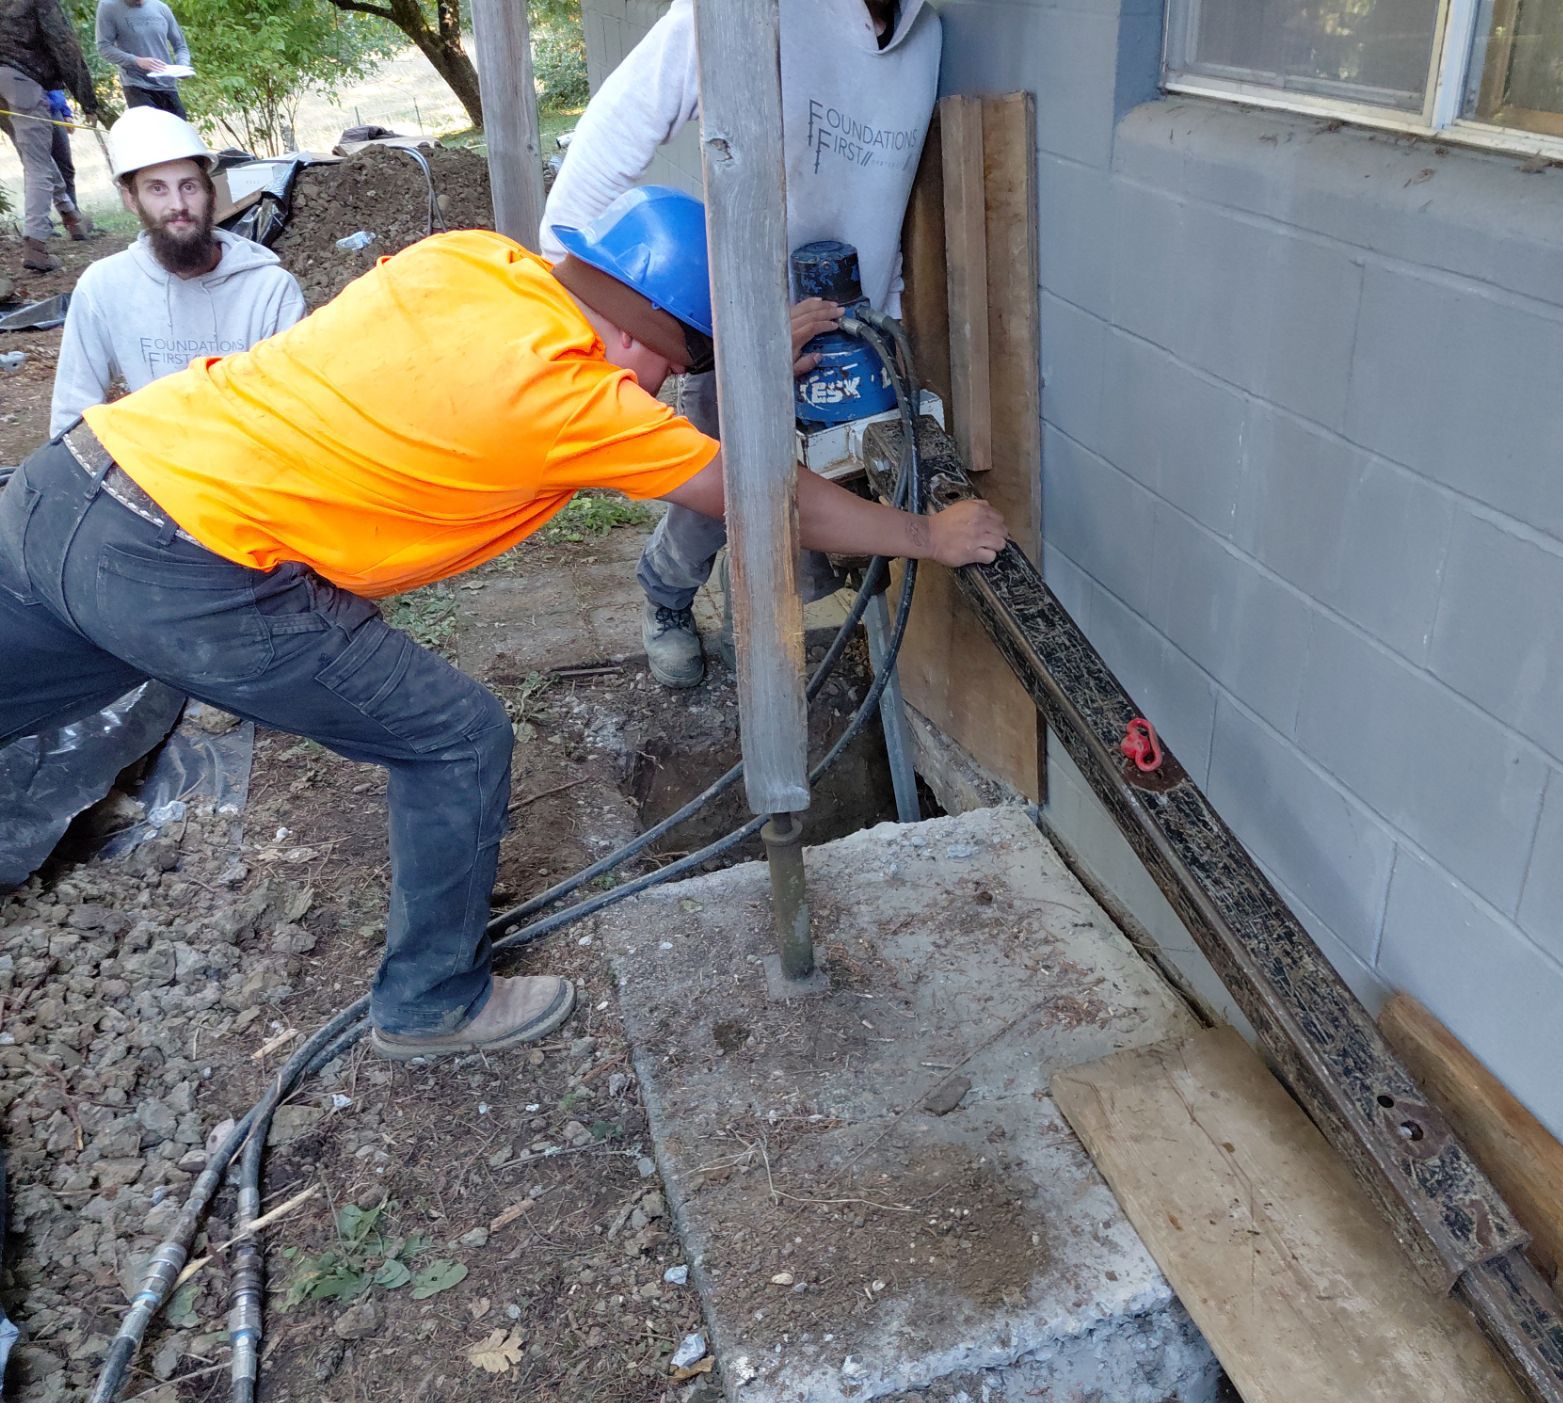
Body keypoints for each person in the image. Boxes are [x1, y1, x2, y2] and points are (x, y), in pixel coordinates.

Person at [0, 186, 1007, 1060]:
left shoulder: (474, 261)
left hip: (75, 482)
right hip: (190, 567)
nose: (655, 393)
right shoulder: (569, 397)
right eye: (668, 368)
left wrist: (741, 350)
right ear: (633, 341)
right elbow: (773, 494)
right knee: (454, 737)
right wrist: (930, 531)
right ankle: (431, 1006)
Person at [541, 0, 940, 689]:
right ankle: (666, 597)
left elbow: (886, 207)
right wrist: (728, 339)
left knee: (823, 497)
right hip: (740, 331)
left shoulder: (923, 41)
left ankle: (807, 633)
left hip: (850, 341)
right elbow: (579, 201)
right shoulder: (749, 11)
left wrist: (889, 327)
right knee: (719, 499)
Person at [51, 109, 306, 436]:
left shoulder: (270, 290)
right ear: (132, 200)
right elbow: (72, 412)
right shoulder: (104, 286)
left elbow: (288, 412)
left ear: (211, 193)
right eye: (157, 189)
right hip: (156, 469)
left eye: (189, 187)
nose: (178, 205)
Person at [0, 0, 99, 274]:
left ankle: (72, 217)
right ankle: (36, 247)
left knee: (36, 156)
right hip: (22, 80)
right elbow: (64, 43)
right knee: (37, 165)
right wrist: (88, 101)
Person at [94, 0, 189, 118]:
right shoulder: (108, 7)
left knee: (179, 130)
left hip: (167, 85)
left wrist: (182, 67)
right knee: (151, 132)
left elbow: (180, 46)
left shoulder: (161, 7)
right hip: (137, 85)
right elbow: (104, 47)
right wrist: (136, 61)